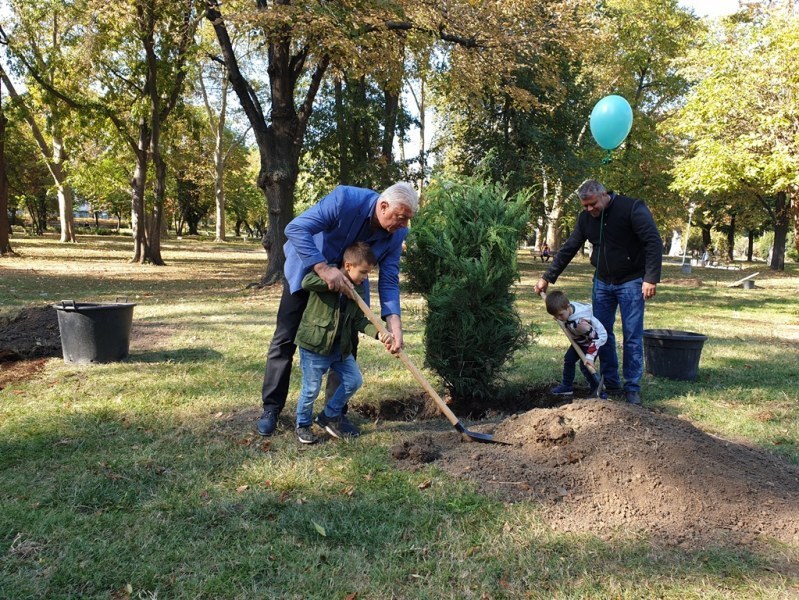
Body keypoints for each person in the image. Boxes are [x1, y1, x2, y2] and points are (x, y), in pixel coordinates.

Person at [257, 182, 419, 436]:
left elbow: (389, 279)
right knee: (285, 338)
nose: (403, 226)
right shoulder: (345, 200)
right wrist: (323, 268)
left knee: (346, 343)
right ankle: (272, 408)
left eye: (408, 220)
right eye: (401, 218)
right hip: (308, 269)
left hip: (352, 281)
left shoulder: (396, 234)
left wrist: (394, 327)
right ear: (384, 206)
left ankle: (333, 415)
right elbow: (295, 228)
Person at [534, 179, 662, 406]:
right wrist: (547, 277)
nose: (589, 209)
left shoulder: (631, 208)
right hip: (602, 281)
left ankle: (632, 387)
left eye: (592, 204)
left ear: (604, 195)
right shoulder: (585, 219)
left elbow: (653, 241)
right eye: (585, 206)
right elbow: (570, 247)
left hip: (632, 281)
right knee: (602, 334)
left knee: (632, 335)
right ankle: (610, 382)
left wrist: (650, 278)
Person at [294, 242, 393, 443]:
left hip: (341, 348)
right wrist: (335, 282)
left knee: (354, 380)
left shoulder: (359, 291)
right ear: (348, 266)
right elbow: (306, 283)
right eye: (363, 272)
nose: (365, 278)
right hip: (316, 346)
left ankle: (328, 415)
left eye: (368, 274)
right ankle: (302, 424)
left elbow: (359, 320)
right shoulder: (324, 277)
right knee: (311, 388)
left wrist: (378, 334)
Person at [545, 290, 607, 398]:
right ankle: (567, 386)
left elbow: (595, 339)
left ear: (568, 306)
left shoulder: (581, 324)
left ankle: (597, 390)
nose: (559, 318)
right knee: (569, 359)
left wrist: (590, 357)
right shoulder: (566, 309)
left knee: (586, 366)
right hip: (580, 339)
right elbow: (561, 313)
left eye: (560, 315)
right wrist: (559, 315)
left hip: (593, 342)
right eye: (556, 316)